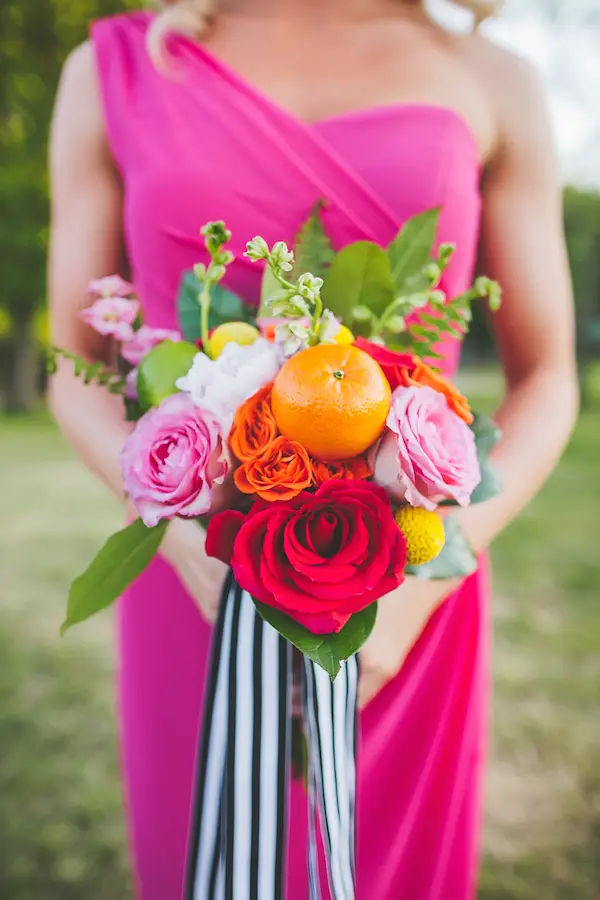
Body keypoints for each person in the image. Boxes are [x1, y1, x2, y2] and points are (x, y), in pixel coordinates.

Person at [47, 0, 578, 897]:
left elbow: (549, 377)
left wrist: (436, 567)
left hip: (411, 591)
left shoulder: (495, 78)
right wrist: (180, 532)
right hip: (195, 578)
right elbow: (74, 366)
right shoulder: (112, 72)